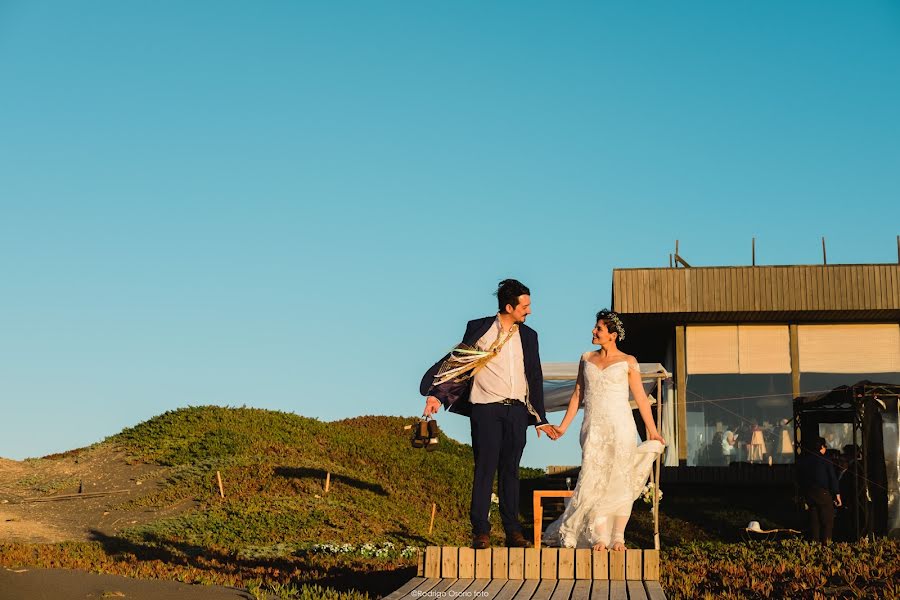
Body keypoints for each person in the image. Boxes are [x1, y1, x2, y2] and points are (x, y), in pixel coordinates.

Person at [420, 279, 558, 550]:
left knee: (511, 472)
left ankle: (513, 532)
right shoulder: (479, 328)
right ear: (509, 306)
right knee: (485, 470)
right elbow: (458, 364)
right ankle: (480, 531)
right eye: (525, 306)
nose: (529, 311)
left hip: (517, 410)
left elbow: (535, 376)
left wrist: (539, 417)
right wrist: (437, 396)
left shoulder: (529, 336)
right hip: (486, 408)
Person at [542, 310, 665, 550]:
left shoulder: (628, 361)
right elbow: (578, 394)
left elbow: (640, 397)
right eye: (595, 327)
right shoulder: (586, 358)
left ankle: (618, 536)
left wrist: (652, 430)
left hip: (621, 426)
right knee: (593, 480)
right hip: (594, 428)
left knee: (619, 480)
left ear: (612, 335)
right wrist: (563, 427)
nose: (593, 331)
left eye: (598, 328)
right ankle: (599, 536)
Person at [796, 436, 842, 542]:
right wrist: (837, 494)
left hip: (810, 493)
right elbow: (832, 478)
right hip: (823, 493)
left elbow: (800, 478)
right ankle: (826, 543)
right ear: (821, 447)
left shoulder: (805, 460)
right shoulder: (825, 460)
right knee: (827, 520)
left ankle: (815, 543)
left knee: (814, 520)